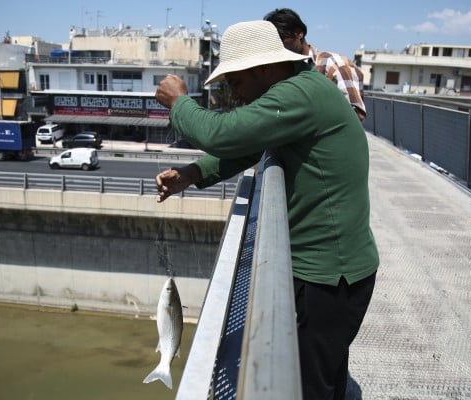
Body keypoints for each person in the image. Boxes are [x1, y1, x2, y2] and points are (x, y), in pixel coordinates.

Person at [154, 20, 379, 399]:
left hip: (331, 277)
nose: (235, 94)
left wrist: (179, 103)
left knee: (312, 388)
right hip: (330, 271)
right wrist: (193, 173)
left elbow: (223, 133)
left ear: (262, 69)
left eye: (236, 83)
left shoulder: (299, 94)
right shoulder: (302, 89)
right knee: (327, 378)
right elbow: (247, 146)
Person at [264, 8, 367, 121]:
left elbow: (355, 114)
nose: (279, 45)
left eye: (281, 38)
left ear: (299, 34)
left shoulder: (333, 63)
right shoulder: (282, 70)